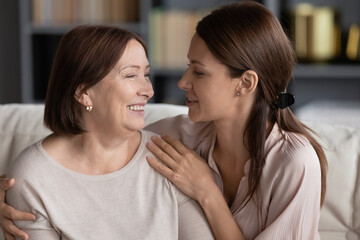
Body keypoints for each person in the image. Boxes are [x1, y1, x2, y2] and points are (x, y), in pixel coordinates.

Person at [0, 1, 327, 240]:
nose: (182, 82)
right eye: (188, 66)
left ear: (245, 83)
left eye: (198, 72)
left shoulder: (294, 162)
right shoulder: (179, 134)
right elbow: (101, 143)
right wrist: (14, 190)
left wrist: (207, 193)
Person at [1, 25, 214, 240]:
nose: (148, 90)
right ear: (84, 93)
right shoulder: (33, 178)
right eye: (131, 75)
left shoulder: (167, 157)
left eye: (146, 74)